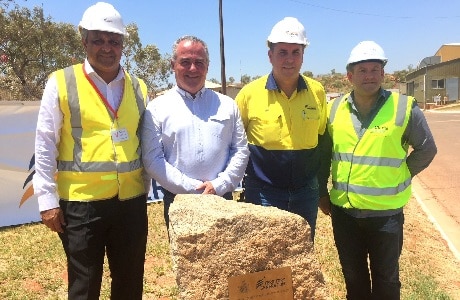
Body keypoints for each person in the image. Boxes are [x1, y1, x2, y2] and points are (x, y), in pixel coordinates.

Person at [33, 2, 149, 299]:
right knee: (84, 287)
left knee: (130, 282)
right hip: (81, 205)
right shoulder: (61, 82)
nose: (107, 47)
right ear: (84, 40)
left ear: (124, 44)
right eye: (98, 39)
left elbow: (146, 142)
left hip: (131, 203)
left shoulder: (139, 87)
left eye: (114, 40)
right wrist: (46, 199)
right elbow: (45, 142)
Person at [318, 41, 437, 299]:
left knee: (386, 281)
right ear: (350, 76)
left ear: (383, 74)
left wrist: (403, 173)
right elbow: (325, 154)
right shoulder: (334, 109)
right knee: (354, 279)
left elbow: (427, 149)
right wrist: (321, 193)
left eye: (375, 69)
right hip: (345, 213)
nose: (369, 75)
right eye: (362, 70)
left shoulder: (404, 108)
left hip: (386, 216)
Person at [141, 35, 249, 228]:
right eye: (185, 62)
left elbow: (240, 149)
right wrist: (194, 189)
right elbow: (153, 159)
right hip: (178, 202)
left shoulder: (227, 105)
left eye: (199, 62)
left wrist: (219, 185)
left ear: (207, 66)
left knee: (227, 258)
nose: (193, 68)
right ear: (173, 64)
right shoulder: (156, 108)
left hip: (222, 199)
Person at [235, 17, 327, 240]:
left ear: (303, 55)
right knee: (264, 259)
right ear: (270, 56)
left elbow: (323, 139)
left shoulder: (317, 92)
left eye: (296, 52)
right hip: (263, 194)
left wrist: (322, 189)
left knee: (301, 255)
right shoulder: (249, 94)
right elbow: (235, 143)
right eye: (282, 52)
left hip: (306, 193)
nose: (289, 59)